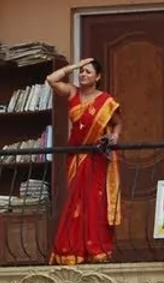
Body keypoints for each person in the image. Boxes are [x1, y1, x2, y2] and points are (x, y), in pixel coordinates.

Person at [46, 57, 122, 264]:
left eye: (88, 72)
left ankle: (97, 250)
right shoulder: (72, 92)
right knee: (75, 203)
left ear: (98, 76)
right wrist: (74, 66)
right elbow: (51, 79)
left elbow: (117, 124)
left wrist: (114, 136)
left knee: (95, 203)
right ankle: (72, 250)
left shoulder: (106, 101)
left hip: (97, 157)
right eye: (82, 72)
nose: (83, 75)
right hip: (76, 157)